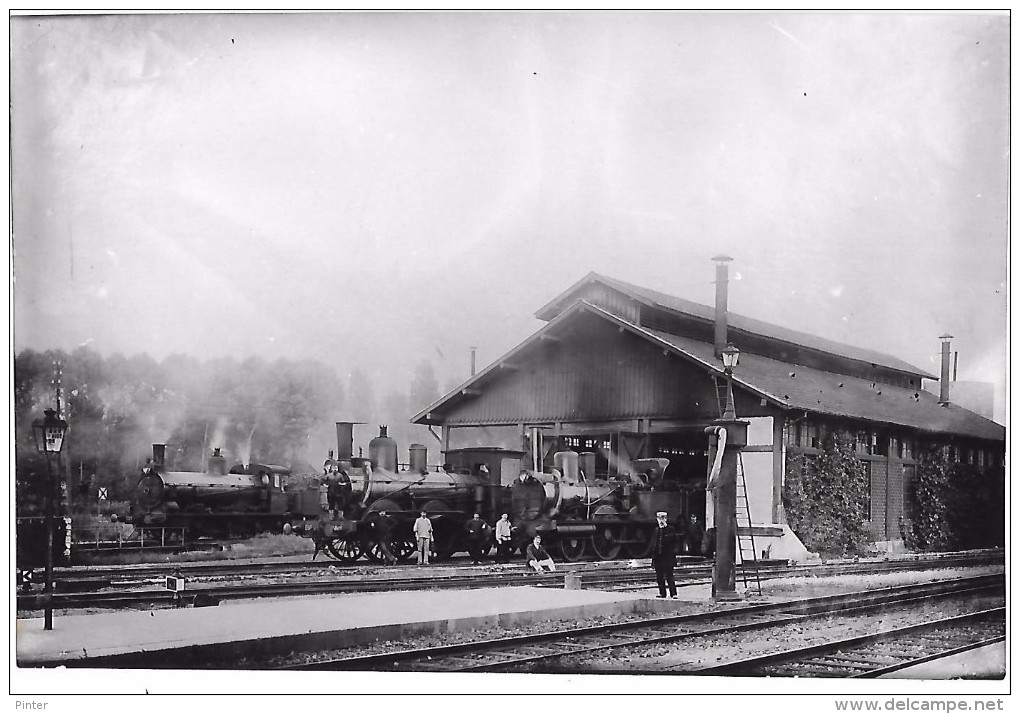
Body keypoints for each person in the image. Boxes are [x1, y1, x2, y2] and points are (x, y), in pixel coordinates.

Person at [651, 511, 679, 599]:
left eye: (663, 518)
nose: (661, 520)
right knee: (659, 577)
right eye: (659, 518)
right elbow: (654, 544)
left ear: (666, 519)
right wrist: (653, 558)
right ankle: (662, 593)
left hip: (667, 557)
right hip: (658, 557)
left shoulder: (670, 529)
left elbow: (673, 540)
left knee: (669, 576)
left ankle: (673, 594)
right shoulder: (656, 530)